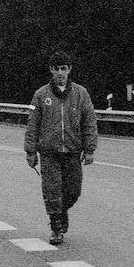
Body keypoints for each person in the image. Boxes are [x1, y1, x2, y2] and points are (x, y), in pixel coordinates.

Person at [24, 51, 98, 245]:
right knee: (52, 190)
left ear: (69, 70)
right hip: (49, 152)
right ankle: (56, 226)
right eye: (56, 69)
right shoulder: (41, 95)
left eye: (63, 69)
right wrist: (30, 151)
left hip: (73, 151)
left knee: (73, 192)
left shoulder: (81, 94)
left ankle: (61, 211)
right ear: (51, 70)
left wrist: (90, 149)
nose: (60, 73)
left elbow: (89, 121)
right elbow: (33, 124)